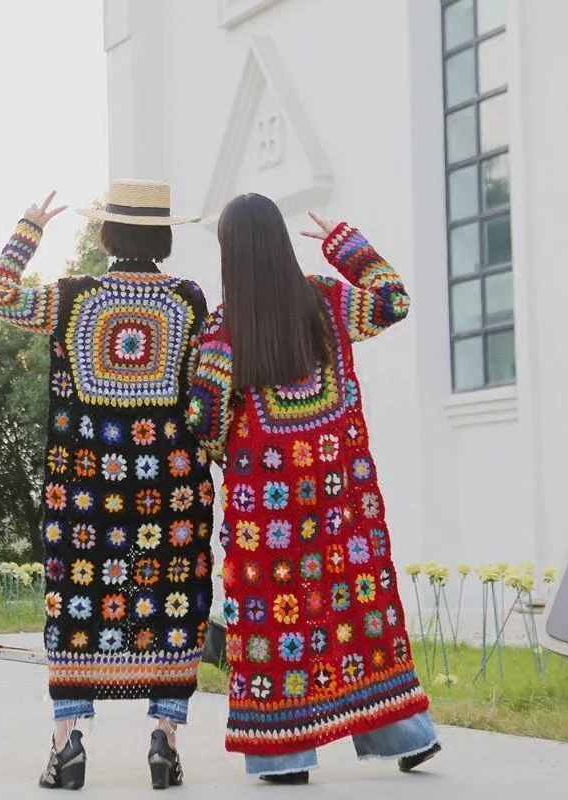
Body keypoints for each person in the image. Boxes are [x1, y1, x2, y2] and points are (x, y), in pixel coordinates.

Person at [187, 193, 440, 783]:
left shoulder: (224, 329)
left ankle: (284, 754)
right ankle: (406, 734)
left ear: (229, 253)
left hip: (264, 507)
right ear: (279, 241)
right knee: (358, 610)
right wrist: (345, 243)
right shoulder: (329, 302)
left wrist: (228, 452)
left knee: (274, 625)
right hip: (340, 497)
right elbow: (393, 300)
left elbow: (204, 418)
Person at [0, 180, 214, 791]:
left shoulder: (72, 298)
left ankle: (68, 748)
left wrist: (28, 230)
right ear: (163, 236)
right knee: (171, 603)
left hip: (84, 490)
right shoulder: (189, 302)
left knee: (75, 607)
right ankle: (165, 744)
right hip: (172, 491)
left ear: (107, 234)